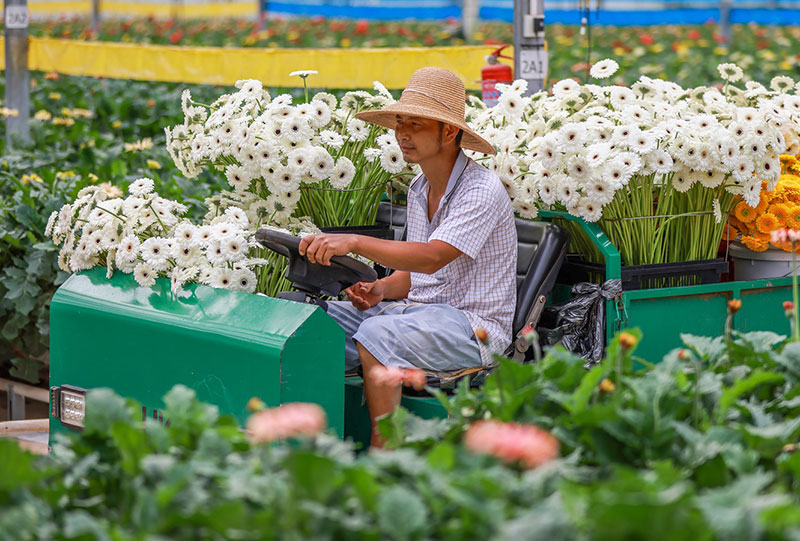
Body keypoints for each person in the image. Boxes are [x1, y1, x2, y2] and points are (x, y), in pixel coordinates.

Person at [299, 66, 517, 447]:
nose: (402, 133)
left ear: (449, 132)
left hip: (474, 329)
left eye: (415, 124)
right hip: (416, 314)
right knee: (308, 321)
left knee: (376, 332)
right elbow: (413, 276)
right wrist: (380, 289)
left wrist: (352, 241)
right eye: (400, 122)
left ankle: (387, 452)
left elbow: (432, 258)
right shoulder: (419, 187)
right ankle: (308, 440)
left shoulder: (481, 189)